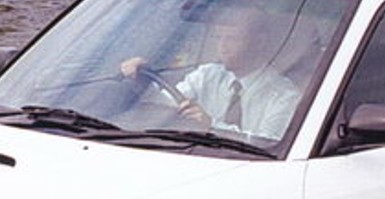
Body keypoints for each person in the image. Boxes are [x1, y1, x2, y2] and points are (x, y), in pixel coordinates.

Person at [121, 8, 302, 141]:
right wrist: (142, 82)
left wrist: (212, 127)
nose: (222, 47)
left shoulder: (284, 95)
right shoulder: (207, 75)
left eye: (232, 39)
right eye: (218, 38)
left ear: (259, 42)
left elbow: (268, 143)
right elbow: (166, 105)